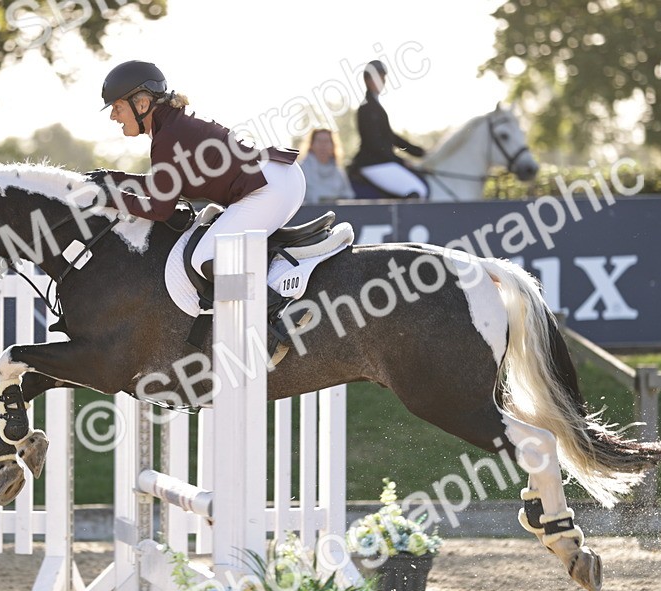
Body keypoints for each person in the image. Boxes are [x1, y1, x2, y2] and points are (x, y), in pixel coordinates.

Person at [88, 60, 307, 363]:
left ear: (141, 103)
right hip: (280, 179)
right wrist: (112, 179)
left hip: (269, 188)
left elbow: (160, 208)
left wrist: (107, 197)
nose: (113, 115)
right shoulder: (171, 126)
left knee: (203, 259)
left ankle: (278, 309)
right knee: (208, 255)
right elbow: (164, 186)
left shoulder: (167, 136)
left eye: (117, 107)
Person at [349, 59, 430, 199]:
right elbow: (374, 144)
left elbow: (390, 136)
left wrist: (418, 152)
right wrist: (400, 160)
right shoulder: (366, 108)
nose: (382, 81)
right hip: (373, 164)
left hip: (382, 162)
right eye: (378, 78)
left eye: (383, 78)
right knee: (417, 190)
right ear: (368, 81)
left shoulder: (375, 106)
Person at [299, 128, 355, 205]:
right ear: (311, 145)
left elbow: (348, 196)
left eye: (326, 141)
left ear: (333, 145)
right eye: (319, 141)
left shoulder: (339, 172)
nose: (323, 145)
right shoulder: (301, 171)